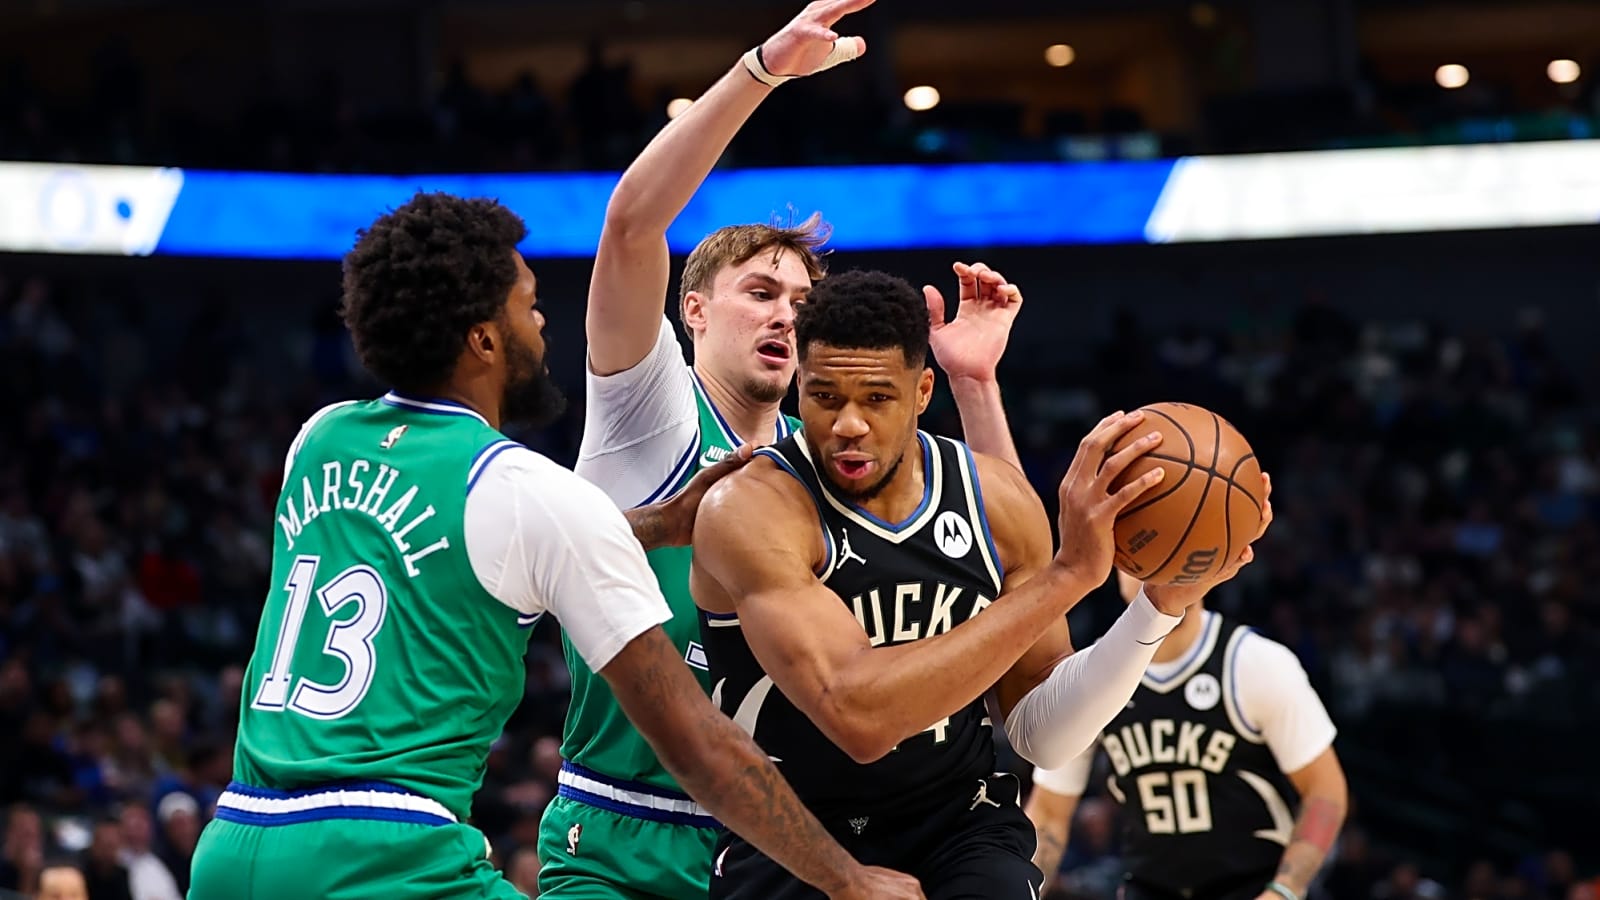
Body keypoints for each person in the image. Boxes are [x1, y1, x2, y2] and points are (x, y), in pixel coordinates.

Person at [186, 192, 920, 900]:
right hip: (389, 850)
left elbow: (492, 546)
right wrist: (847, 880)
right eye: (529, 306)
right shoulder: (532, 483)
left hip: (236, 835)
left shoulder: (320, 438)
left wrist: (661, 526)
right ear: (484, 338)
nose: (542, 325)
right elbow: (698, 742)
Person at [550, 0, 1025, 895]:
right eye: (759, 290)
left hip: (792, 835)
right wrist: (762, 69)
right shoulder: (649, 409)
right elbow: (630, 224)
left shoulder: (830, 452)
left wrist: (973, 385)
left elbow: (997, 532)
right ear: (691, 311)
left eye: (802, 302)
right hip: (629, 830)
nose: (785, 312)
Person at [689, 270, 1274, 898]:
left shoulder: (993, 498)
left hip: (958, 822)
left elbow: (1042, 734)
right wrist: (1070, 575)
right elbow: (857, 718)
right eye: (826, 397)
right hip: (795, 833)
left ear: (920, 391)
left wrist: (1159, 608)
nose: (849, 424)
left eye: (877, 399)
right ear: (799, 383)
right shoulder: (748, 510)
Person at [1024, 571, 1347, 900]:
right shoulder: (1088, 678)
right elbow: (1049, 811)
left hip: (1254, 884)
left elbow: (1324, 790)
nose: (1162, 570)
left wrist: (1285, 889)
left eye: (1175, 552)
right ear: (1117, 567)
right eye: (1145, 557)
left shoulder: (1256, 662)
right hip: (1147, 884)